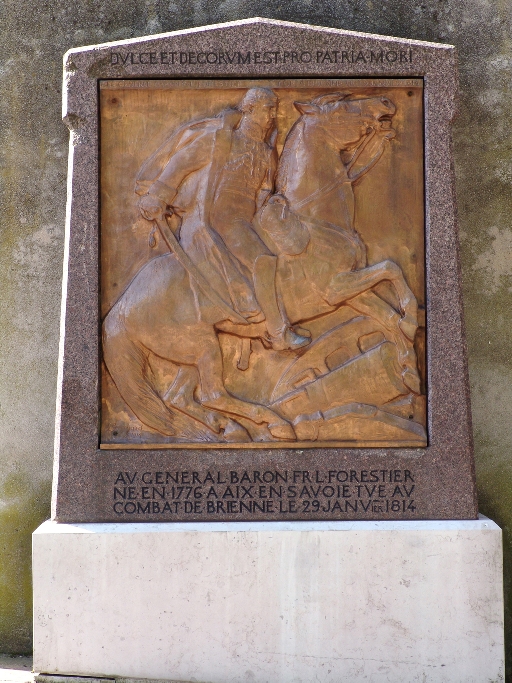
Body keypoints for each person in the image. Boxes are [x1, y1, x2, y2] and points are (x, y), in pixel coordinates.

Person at [136, 87, 310, 351]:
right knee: (263, 261)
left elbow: (264, 188)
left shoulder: (266, 153)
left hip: (249, 219)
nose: (273, 115)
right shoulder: (221, 140)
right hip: (219, 218)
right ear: (249, 110)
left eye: (274, 109)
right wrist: (157, 197)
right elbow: (182, 162)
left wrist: (268, 201)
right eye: (267, 109)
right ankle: (278, 333)